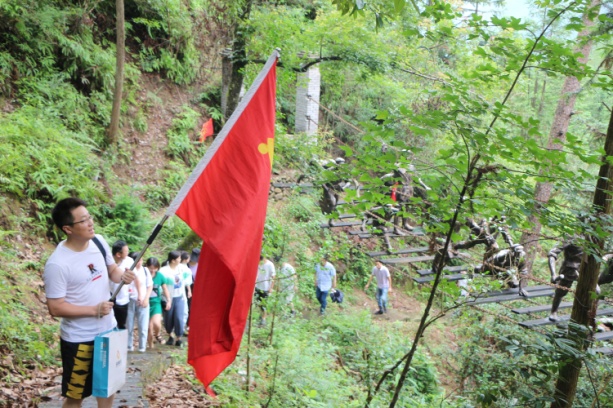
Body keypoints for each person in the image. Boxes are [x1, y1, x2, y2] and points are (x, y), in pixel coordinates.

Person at [43, 197, 135, 407]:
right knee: (76, 396)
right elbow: (55, 307)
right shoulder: (58, 264)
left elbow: (112, 271)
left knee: (108, 388)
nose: (90, 223)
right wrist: (94, 310)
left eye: (89, 217)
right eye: (83, 220)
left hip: (108, 332)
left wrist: (122, 276)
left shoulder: (98, 241)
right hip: (79, 339)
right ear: (68, 229)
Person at [548, 238, 584, 322]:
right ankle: (553, 312)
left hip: (585, 271)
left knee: (595, 291)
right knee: (561, 291)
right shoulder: (570, 236)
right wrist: (553, 274)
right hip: (570, 270)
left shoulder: (593, 238)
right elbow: (552, 253)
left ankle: (587, 315)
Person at [159, 251, 189, 346]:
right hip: (168, 298)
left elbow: (187, 278)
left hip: (179, 297)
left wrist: (188, 290)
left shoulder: (182, 268)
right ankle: (170, 335)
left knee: (179, 317)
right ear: (173, 260)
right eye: (178, 258)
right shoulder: (163, 271)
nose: (180, 260)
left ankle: (179, 338)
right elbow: (160, 285)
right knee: (168, 318)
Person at [126, 251, 152, 353]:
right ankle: (129, 345)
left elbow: (149, 285)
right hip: (130, 299)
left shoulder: (145, 270)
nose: (139, 263)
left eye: (141, 260)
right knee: (129, 325)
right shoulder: (128, 270)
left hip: (143, 300)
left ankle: (142, 347)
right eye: (137, 261)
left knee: (143, 325)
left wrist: (146, 298)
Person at [146, 257, 171, 349]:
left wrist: (168, 300)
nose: (153, 270)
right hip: (145, 303)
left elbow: (165, 289)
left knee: (156, 323)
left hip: (156, 303)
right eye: (151, 268)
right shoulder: (144, 274)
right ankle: (150, 346)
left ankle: (157, 334)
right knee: (149, 327)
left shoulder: (160, 276)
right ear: (147, 266)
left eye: (155, 268)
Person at [109, 240, 135, 330]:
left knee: (122, 325)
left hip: (123, 299)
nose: (128, 253)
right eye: (126, 251)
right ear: (118, 254)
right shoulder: (108, 262)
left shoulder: (129, 261)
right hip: (109, 298)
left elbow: (134, 277)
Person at [255, 255, 276, 325]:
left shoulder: (270, 265)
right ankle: (262, 315)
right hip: (257, 286)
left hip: (266, 288)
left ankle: (263, 319)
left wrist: (271, 287)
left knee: (264, 304)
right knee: (258, 302)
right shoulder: (258, 263)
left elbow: (273, 276)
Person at [179, 251, 193, 330]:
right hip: (184, 288)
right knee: (185, 307)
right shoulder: (186, 269)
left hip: (177, 288)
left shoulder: (177, 266)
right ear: (185, 259)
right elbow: (187, 282)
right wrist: (189, 291)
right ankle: (183, 326)